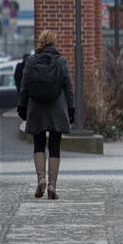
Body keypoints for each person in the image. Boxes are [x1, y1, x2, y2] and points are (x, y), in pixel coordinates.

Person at [18, 30, 74, 200]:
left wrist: (22, 106)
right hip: (57, 107)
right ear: (54, 42)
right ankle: (52, 186)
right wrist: (71, 109)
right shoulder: (61, 61)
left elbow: (24, 86)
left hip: (36, 107)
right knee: (55, 146)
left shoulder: (31, 61)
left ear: (41, 42)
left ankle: (41, 179)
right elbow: (68, 88)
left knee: (39, 144)